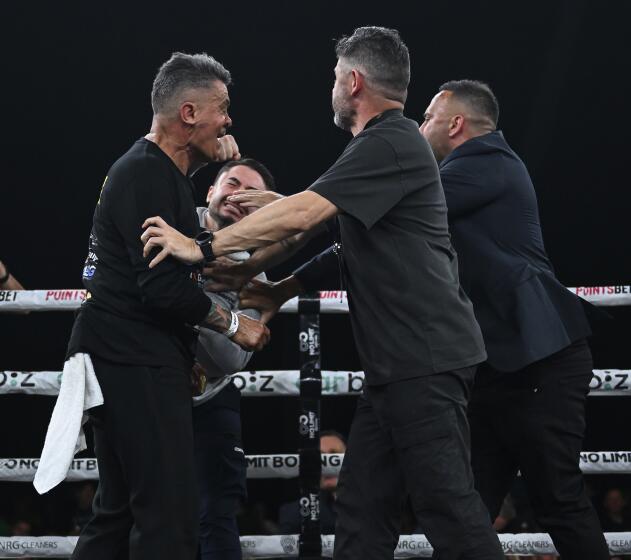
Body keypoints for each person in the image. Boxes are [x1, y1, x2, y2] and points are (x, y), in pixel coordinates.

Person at [140, 26, 504, 560]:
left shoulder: (391, 140)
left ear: (354, 82)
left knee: (449, 510)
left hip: (424, 361)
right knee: (360, 513)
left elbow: (308, 211)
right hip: (397, 368)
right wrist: (268, 281)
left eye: (336, 78)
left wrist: (202, 246)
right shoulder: (378, 148)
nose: (331, 88)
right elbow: (327, 229)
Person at [67, 52, 269, 560]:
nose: (228, 121)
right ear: (189, 114)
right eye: (221, 109)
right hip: (135, 360)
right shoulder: (147, 174)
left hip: (120, 356)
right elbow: (161, 289)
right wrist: (233, 323)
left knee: (119, 514)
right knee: (169, 517)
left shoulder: (159, 174)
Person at [417, 80, 610, 558]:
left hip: (540, 357)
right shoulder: (461, 176)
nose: (419, 127)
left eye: (427, 117)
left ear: (456, 123)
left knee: (557, 499)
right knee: (466, 509)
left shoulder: (486, 162)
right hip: (492, 366)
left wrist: (293, 211)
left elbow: (389, 206)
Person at [193, 158, 280, 560]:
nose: (238, 196)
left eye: (251, 194)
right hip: (150, 390)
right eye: (231, 183)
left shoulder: (256, 274)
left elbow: (232, 359)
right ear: (210, 191)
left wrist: (190, 301)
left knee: (219, 510)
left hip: (212, 396)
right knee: (135, 506)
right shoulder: (172, 222)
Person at [277, 430, 346, 535]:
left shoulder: (371, 507)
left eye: (334, 456)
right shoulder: (295, 514)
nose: (327, 464)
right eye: (321, 457)